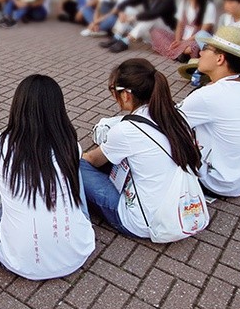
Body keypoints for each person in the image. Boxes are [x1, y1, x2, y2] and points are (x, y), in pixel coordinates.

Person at [0, 75, 94, 279]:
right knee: (74, 167)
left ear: (18, 107)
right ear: (58, 110)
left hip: (20, 261)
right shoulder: (70, 144)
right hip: (77, 253)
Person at [80, 59, 203, 239]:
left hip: (142, 223)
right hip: (184, 209)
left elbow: (92, 159)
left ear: (126, 95)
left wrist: (72, 153)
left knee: (77, 165)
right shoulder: (177, 117)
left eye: (113, 90)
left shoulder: (127, 130)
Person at [177, 26, 240, 198]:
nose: (200, 53)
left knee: (164, 136)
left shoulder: (208, 96)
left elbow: (165, 122)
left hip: (220, 182)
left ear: (220, 58)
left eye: (206, 49)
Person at [100, 0, 177, 53]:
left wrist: (133, 17)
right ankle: (116, 37)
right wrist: (121, 12)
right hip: (146, 31)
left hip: (164, 33)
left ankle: (126, 41)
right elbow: (126, 2)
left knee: (153, 16)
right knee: (128, 10)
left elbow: (155, 13)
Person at [150, 0, 216, 62]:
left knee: (194, 47)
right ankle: (182, 53)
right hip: (181, 39)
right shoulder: (185, 2)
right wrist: (177, 40)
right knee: (156, 32)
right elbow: (179, 25)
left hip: (194, 40)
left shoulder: (209, 6)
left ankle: (181, 52)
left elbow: (203, 32)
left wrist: (184, 42)